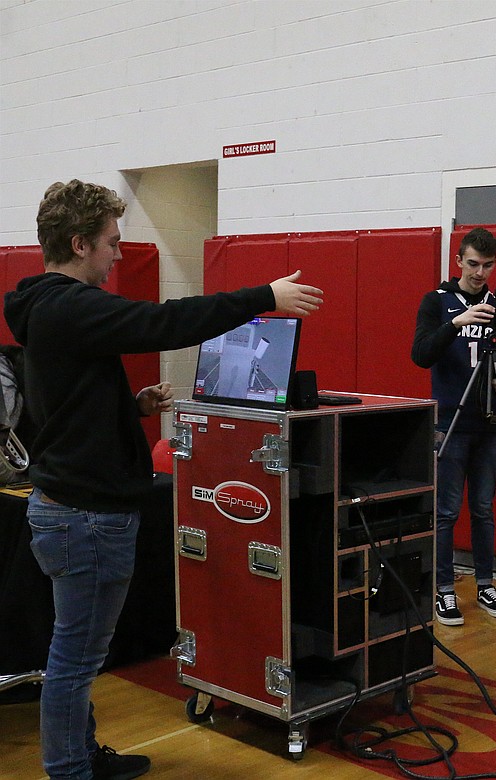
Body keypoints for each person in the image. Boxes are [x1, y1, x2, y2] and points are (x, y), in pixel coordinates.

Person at [4, 180, 324, 780]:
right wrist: (265, 295)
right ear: (78, 244)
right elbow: (166, 321)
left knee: (76, 652)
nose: (118, 255)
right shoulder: (71, 306)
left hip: (68, 507)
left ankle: (77, 758)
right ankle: (70, 770)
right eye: (110, 243)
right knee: (76, 657)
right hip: (86, 516)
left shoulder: (43, 307)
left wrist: (134, 406)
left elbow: (68, 404)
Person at [411, 227, 496, 626]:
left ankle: (486, 582)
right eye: (473, 264)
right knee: (446, 510)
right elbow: (420, 354)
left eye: (488, 265)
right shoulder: (436, 302)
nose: (479, 273)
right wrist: (458, 323)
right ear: (458, 260)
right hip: (450, 419)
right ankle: (443, 590)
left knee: (484, 508)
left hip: (488, 420)